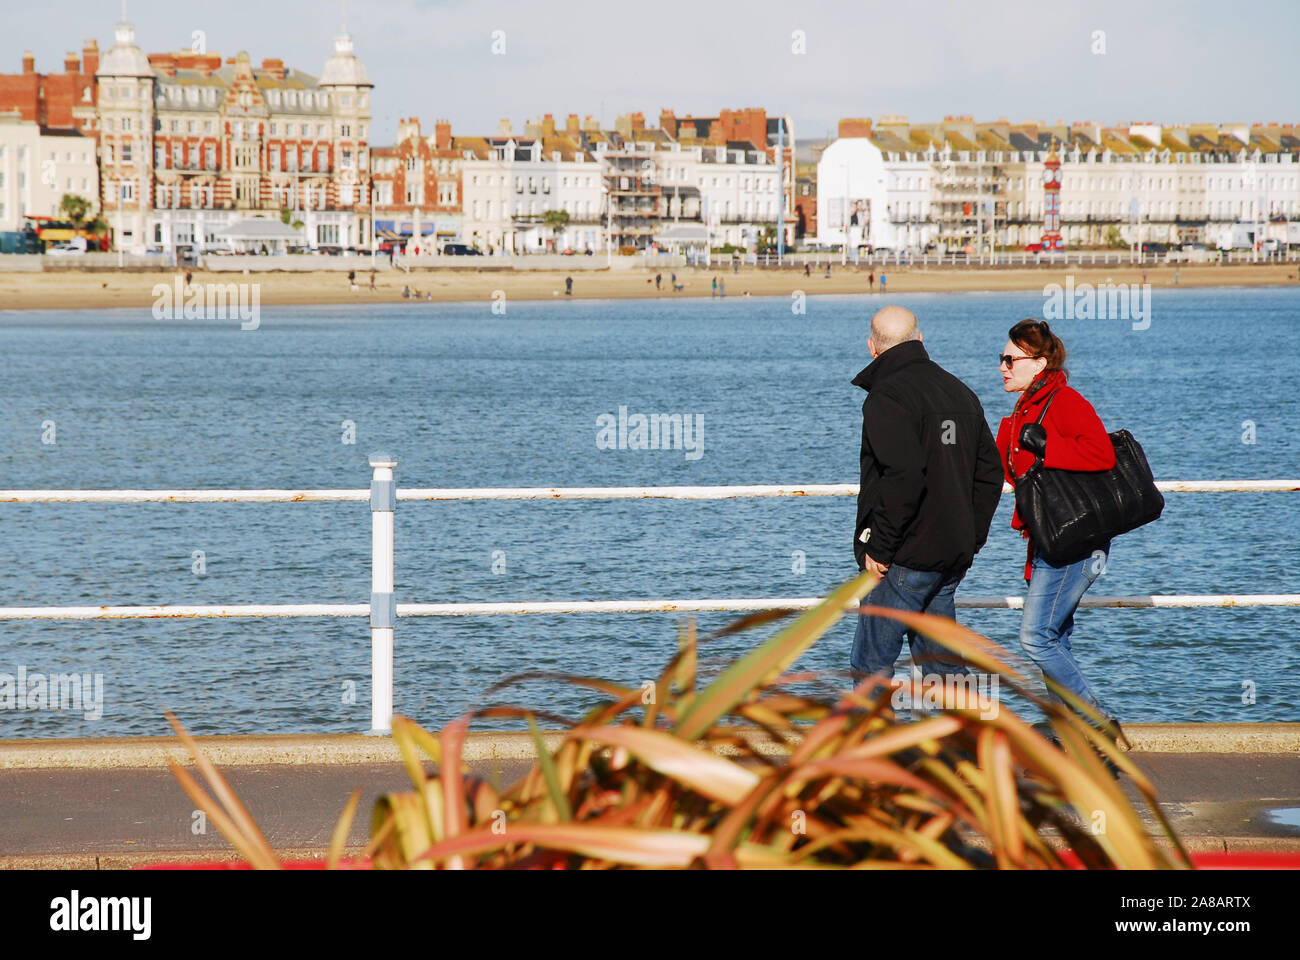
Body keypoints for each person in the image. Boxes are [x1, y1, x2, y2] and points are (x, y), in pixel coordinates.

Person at [851, 306, 1004, 693]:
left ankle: (873, 736)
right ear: (920, 340)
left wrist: (880, 548)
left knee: (871, 665)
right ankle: (971, 731)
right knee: (942, 666)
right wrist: (970, 539)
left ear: (872, 348)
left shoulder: (887, 396)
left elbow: (903, 475)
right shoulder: (959, 392)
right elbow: (990, 474)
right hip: (949, 556)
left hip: (904, 557)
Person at [995, 319, 1125, 745]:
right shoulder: (1023, 410)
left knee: (1036, 637)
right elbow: (1008, 471)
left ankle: (1097, 721)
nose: (1002, 367)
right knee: (1055, 641)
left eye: (1010, 359)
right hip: (1047, 540)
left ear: (1039, 363)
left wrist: (1047, 445)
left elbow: (1101, 453)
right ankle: (1068, 740)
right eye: (1001, 358)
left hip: (1075, 542)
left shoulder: (1065, 401)